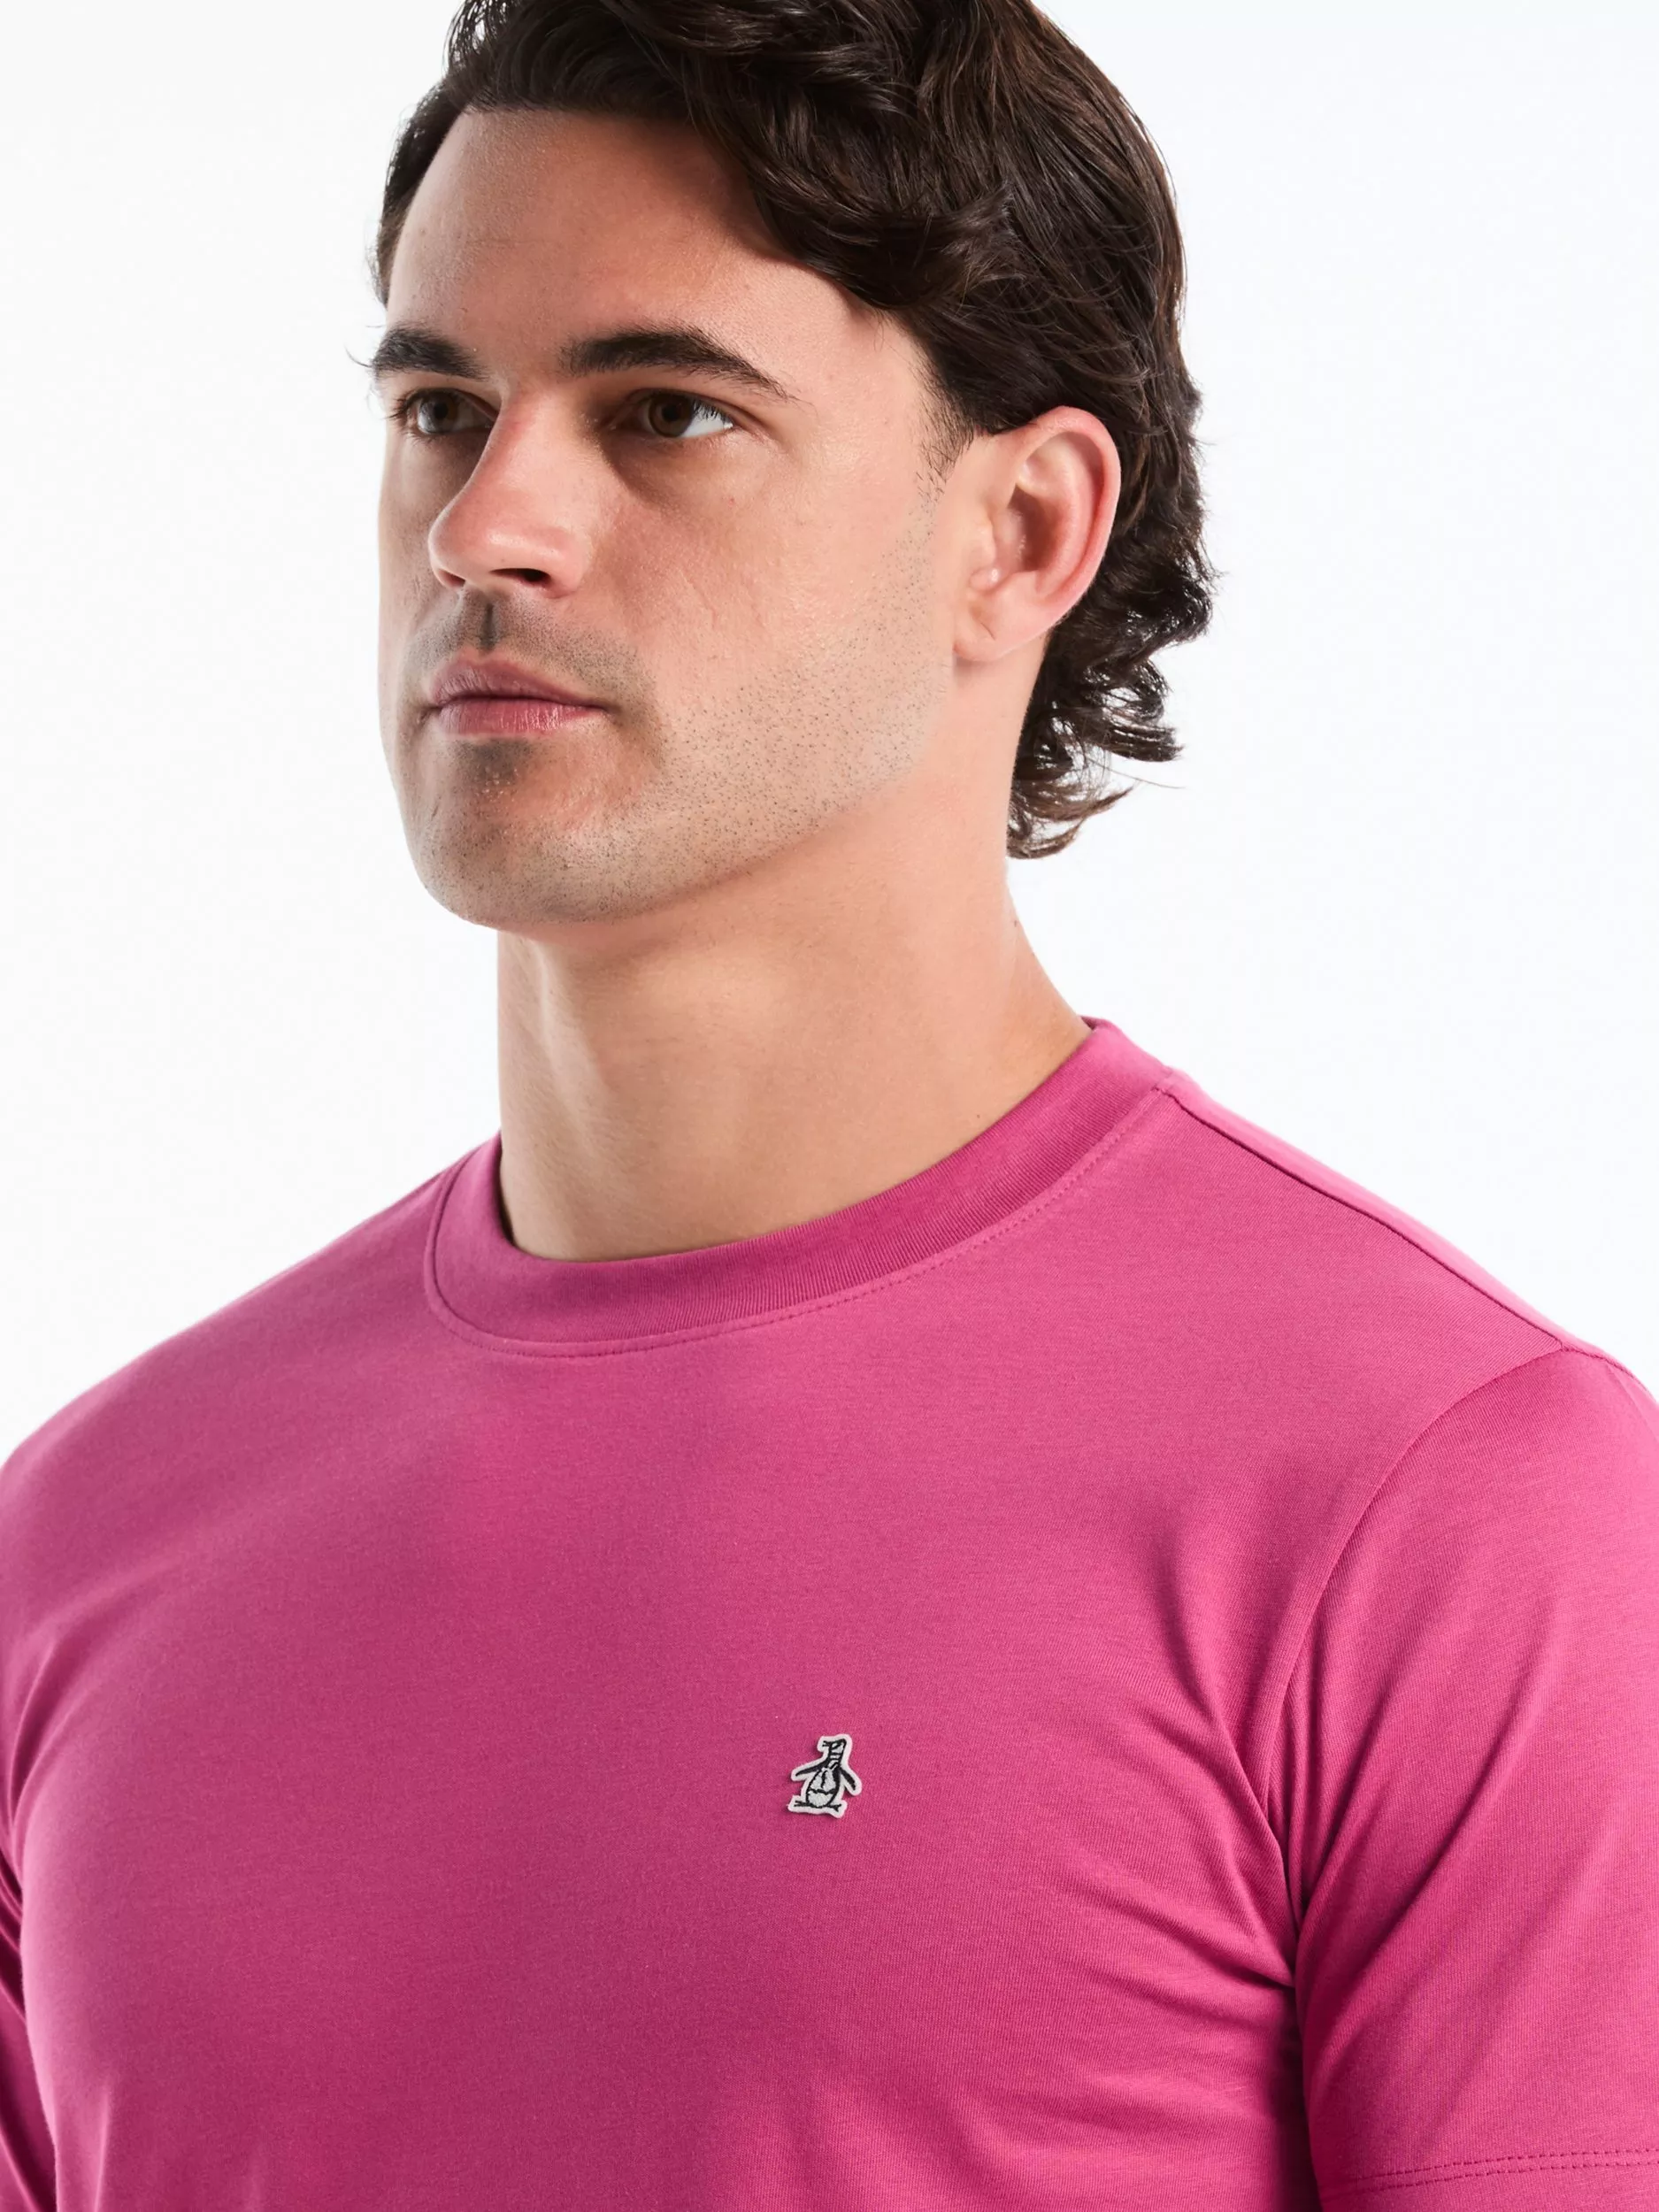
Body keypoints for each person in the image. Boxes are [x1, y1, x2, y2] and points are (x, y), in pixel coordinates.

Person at [2, 0, 1655, 2204]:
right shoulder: (82, 1542)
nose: (486, 524)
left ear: (1024, 527)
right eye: (439, 408)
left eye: (665, 411)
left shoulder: (1444, 1505)